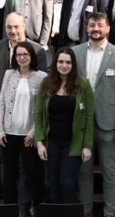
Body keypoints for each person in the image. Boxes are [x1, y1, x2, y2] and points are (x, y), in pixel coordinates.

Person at [72, 12, 115, 217]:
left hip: (110, 124)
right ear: (86, 28)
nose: (96, 29)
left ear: (107, 28)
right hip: (82, 122)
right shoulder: (76, 53)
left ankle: (110, 211)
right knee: (84, 170)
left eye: (100, 25)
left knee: (110, 170)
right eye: (92, 25)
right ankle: (86, 210)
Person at [36, 48, 94, 204]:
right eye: (60, 61)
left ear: (73, 65)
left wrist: (87, 146)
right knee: (53, 184)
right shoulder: (46, 83)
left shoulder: (83, 84)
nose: (64, 65)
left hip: (73, 143)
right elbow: (39, 114)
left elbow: (89, 116)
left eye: (68, 62)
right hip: (52, 143)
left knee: (67, 183)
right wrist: (39, 142)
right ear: (55, 63)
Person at [0, 40, 47, 216]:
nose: (22, 57)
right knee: (9, 174)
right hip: (9, 133)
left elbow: (42, 109)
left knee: (32, 174)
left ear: (31, 56)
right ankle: (9, 209)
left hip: (28, 136)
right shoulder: (9, 74)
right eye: (19, 55)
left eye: (26, 54)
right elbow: (2, 102)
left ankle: (35, 208)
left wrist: (33, 133)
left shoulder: (41, 77)